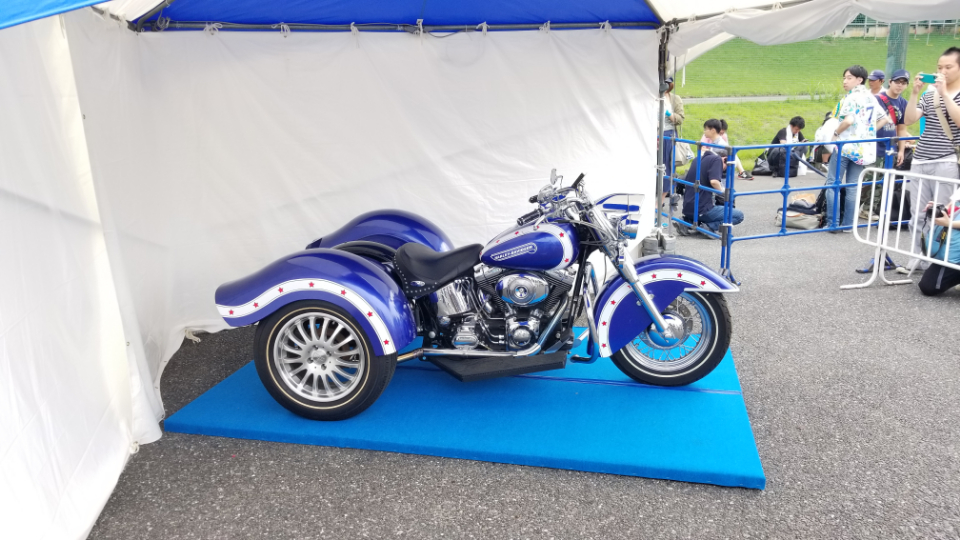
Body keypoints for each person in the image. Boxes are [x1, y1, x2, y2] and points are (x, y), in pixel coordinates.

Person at [900, 47, 960, 272]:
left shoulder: (949, 94)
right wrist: (914, 93)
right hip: (920, 159)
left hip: (947, 160)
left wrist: (944, 94)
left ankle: (938, 259)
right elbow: (909, 119)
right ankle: (917, 257)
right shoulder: (929, 94)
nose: (942, 71)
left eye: (948, 67)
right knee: (917, 214)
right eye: (939, 67)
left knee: (941, 213)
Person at [824, 65, 890, 232]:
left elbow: (848, 121)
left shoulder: (851, 98)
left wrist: (835, 133)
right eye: (844, 78)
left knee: (833, 184)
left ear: (859, 80)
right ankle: (848, 225)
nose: (845, 81)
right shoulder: (871, 98)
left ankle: (833, 223)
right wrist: (868, 132)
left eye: (849, 78)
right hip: (862, 149)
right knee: (853, 186)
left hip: (845, 146)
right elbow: (885, 118)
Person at [861, 70, 912, 218]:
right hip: (873, 147)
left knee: (882, 181)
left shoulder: (903, 103)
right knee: (867, 180)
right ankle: (850, 208)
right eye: (897, 82)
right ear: (890, 82)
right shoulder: (876, 99)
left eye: (903, 83)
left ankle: (869, 209)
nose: (900, 85)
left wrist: (900, 150)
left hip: (890, 149)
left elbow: (901, 128)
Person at [676, 149, 745, 235]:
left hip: (688, 208)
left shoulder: (698, 159)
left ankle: (686, 222)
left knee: (709, 203)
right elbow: (714, 182)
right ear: (725, 159)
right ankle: (710, 227)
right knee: (739, 215)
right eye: (727, 167)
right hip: (702, 209)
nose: (724, 171)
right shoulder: (717, 160)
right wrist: (722, 191)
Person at [918, 199, 960, 295]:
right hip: (952, 254)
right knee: (928, 286)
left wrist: (950, 223)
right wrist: (939, 209)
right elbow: (953, 204)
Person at [661, 76, 685, 207]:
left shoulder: (675, 99)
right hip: (653, 135)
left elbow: (680, 118)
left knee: (667, 167)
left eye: (667, 83)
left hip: (668, 135)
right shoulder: (651, 97)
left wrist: (669, 114)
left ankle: (661, 200)